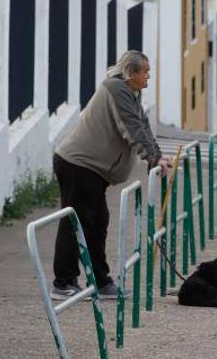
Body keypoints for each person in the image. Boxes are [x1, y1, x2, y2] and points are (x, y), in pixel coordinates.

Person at [51, 50, 170, 301]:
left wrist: (156, 157)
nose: (149, 76)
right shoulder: (116, 89)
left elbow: (143, 125)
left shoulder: (130, 93)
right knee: (77, 223)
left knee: (98, 222)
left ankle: (100, 281)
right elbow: (131, 127)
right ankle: (64, 283)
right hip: (79, 164)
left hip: (93, 170)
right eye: (145, 71)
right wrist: (152, 157)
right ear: (132, 72)